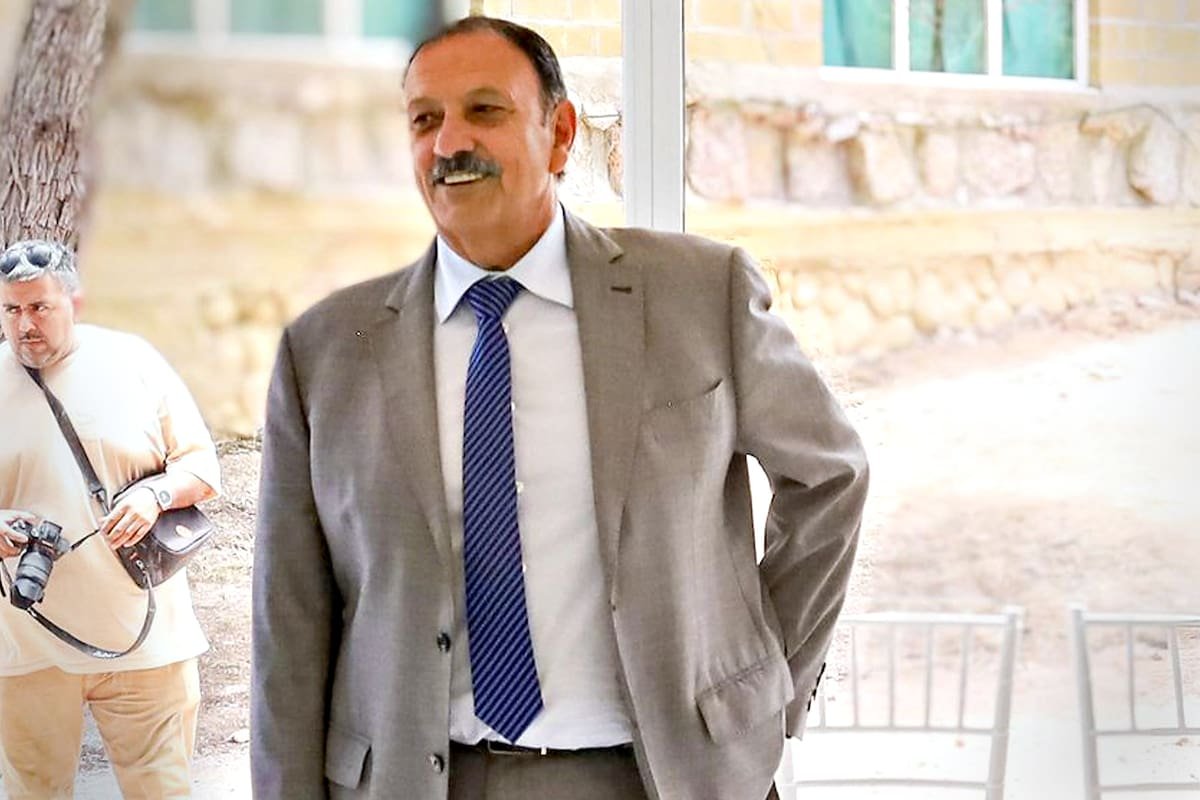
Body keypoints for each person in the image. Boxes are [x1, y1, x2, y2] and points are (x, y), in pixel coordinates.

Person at [252, 15, 868, 800]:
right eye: (425, 120)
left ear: (561, 133)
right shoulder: (326, 351)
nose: (448, 143)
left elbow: (831, 476)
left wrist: (763, 675)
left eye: (484, 110)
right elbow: (289, 622)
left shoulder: (699, 294)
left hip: (667, 776)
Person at [0, 239, 221, 799]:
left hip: (147, 641)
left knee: (162, 791)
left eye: (40, 307)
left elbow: (202, 468)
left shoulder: (133, 362)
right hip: (28, 646)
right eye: (11, 309)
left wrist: (155, 496)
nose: (25, 325)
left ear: (74, 301)